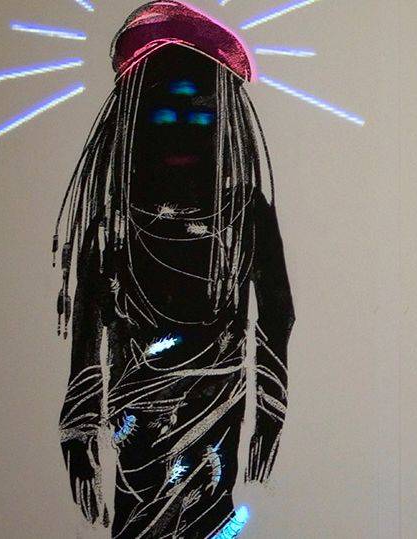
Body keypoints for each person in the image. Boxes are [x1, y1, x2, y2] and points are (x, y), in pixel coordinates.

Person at [54, 2, 293, 537]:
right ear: (136, 121)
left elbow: (277, 315)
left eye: (201, 112)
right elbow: (88, 333)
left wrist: (269, 407)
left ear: (223, 120)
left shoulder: (245, 215)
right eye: (164, 113)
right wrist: (80, 429)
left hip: (217, 413)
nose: (183, 128)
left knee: (208, 513)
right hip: (133, 421)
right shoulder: (113, 226)